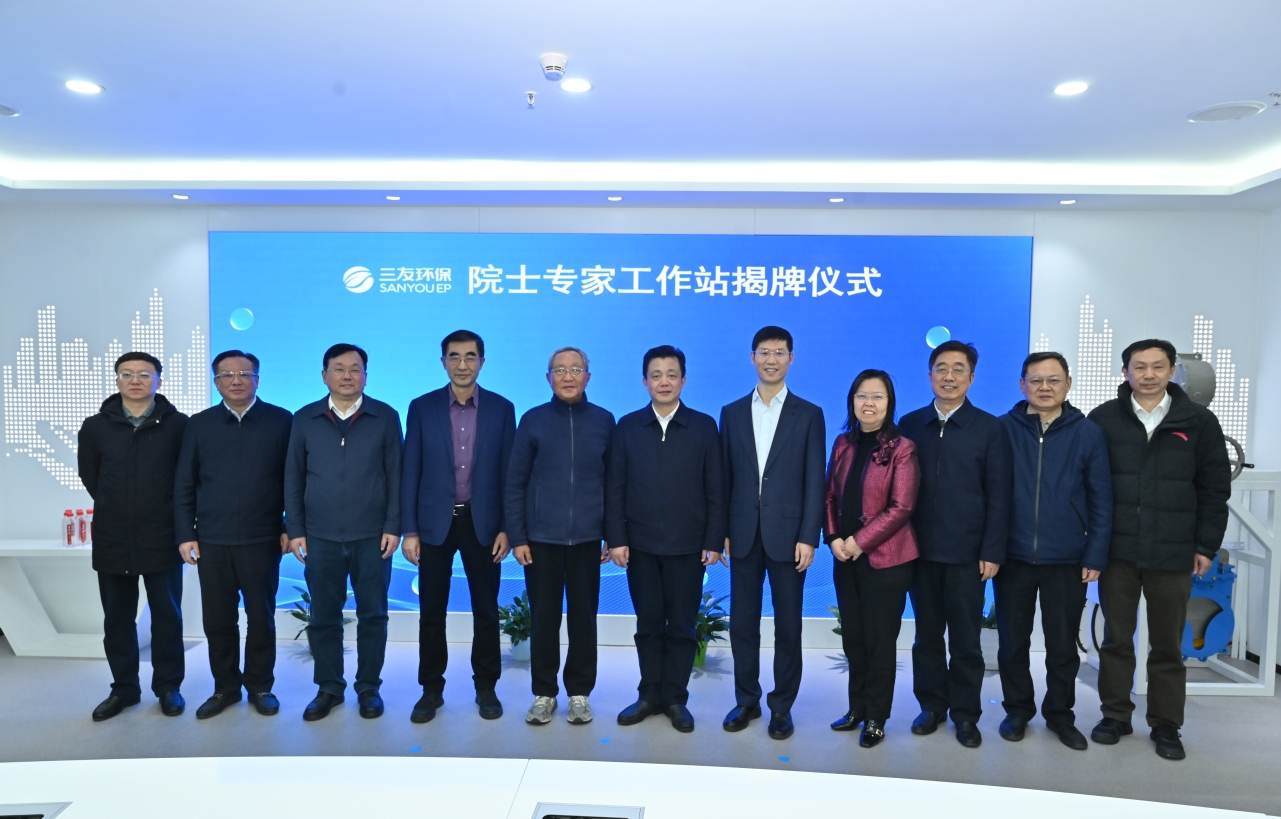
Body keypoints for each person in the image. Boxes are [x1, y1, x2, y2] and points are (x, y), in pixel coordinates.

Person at [1087, 339, 1231, 760]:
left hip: (1173, 551)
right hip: (1118, 551)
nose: (1148, 374)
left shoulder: (1199, 421)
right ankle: (1115, 715)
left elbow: (1214, 489)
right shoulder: (1104, 419)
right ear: (1125, 372)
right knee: (1116, 639)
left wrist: (1206, 544)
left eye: (1157, 366)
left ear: (1171, 371)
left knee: (1168, 644)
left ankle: (1166, 724)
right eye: (1139, 367)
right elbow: (1089, 486)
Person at [995, 352, 1112, 750]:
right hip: (1012, 556)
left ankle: (1060, 715)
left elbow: (1101, 499)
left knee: (1062, 646)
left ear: (1068, 383)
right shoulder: (1002, 429)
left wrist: (1095, 554)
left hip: (1067, 557)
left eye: (1054, 379)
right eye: (1036, 380)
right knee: (1012, 642)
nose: (1045, 387)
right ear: (1022, 384)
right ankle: (1017, 710)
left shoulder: (1088, 433)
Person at [606, 346, 725, 733]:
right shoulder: (627, 427)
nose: (664, 382)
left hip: (688, 547)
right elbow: (614, 488)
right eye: (656, 375)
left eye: (671, 374)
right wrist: (616, 538)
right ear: (645, 382)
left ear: (683, 380)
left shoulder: (703, 427)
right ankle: (648, 695)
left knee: (683, 627)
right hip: (639, 546)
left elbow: (716, 489)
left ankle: (675, 698)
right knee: (648, 624)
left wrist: (713, 540)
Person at [899, 340, 1012, 748]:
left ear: (972, 377)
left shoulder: (990, 428)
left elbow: (999, 496)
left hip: (968, 556)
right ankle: (931, 706)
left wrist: (992, 551)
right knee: (926, 637)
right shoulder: (910, 424)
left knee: (966, 641)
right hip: (919, 553)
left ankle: (965, 715)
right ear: (929, 375)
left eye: (958, 369)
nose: (949, 376)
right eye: (941, 368)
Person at [400, 330, 516, 724]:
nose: (462, 364)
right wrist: (410, 530)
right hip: (434, 523)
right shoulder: (421, 407)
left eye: (470, 357)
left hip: (483, 525)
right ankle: (431, 689)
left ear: (482, 362)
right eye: (454, 356)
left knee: (486, 610)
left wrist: (506, 528)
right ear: (443, 362)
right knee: (431, 611)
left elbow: (509, 474)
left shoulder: (502, 409)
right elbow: (410, 471)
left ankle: (486, 687)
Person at [284, 343, 403, 722]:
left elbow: (396, 476)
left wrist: (393, 526)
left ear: (366, 375)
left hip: (372, 536)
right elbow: (293, 478)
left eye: (355, 369)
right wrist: (295, 529)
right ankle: (329, 688)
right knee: (323, 616)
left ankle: (368, 687)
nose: (347, 375)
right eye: (339, 368)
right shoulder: (304, 418)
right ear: (325, 375)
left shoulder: (385, 416)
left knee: (374, 615)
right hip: (319, 537)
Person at [720, 326, 826, 740]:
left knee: (788, 626)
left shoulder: (809, 414)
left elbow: (815, 481)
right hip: (743, 534)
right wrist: (722, 531)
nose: (771, 359)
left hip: (790, 537)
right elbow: (724, 479)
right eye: (764, 352)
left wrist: (809, 536)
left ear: (791, 359)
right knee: (742, 624)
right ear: (752, 357)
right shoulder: (731, 412)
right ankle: (746, 700)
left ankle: (782, 706)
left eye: (779, 352)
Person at [175, 350, 293, 719]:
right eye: (227, 375)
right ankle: (225, 687)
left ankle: (260, 686)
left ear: (258, 378)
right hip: (212, 539)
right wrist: (186, 533)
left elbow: (294, 480)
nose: (236, 380)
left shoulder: (281, 421)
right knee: (218, 620)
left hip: (263, 538)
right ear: (216, 382)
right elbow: (184, 484)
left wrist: (289, 527)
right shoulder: (199, 424)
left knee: (262, 618)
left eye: (244, 373)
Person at [505, 347, 615, 726]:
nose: (568, 376)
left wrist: (611, 534)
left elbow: (613, 485)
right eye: (560, 370)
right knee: (544, 619)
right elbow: (516, 483)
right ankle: (544, 693)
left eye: (576, 369)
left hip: (587, 540)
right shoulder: (533, 420)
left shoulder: (604, 421)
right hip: (541, 541)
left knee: (584, 619)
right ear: (548, 377)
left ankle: (579, 692)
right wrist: (519, 536)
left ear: (588, 376)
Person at [77, 351, 190, 721]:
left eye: (144, 374)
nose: (135, 380)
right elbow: (91, 477)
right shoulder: (95, 426)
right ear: (117, 381)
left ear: (159, 380)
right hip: (113, 536)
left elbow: (186, 479)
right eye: (127, 374)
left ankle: (168, 687)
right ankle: (124, 689)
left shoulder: (179, 425)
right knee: (117, 620)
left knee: (167, 617)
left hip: (162, 535)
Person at [823, 369, 919, 748]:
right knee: (854, 639)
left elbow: (901, 507)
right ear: (852, 401)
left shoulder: (902, 448)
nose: (868, 403)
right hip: (844, 559)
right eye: (862, 395)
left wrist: (859, 542)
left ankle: (877, 717)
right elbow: (830, 496)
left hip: (887, 562)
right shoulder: (843, 443)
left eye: (877, 396)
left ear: (889, 403)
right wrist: (833, 538)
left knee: (879, 642)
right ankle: (856, 709)